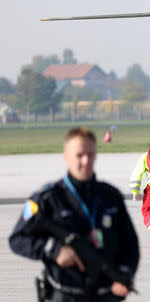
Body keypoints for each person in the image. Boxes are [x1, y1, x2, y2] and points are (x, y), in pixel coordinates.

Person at [9, 127, 140, 301]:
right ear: (66, 156)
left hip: (106, 295)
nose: (86, 161)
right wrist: (53, 250)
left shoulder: (111, 197)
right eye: (79, 155)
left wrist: (125, 272)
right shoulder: (49, 198)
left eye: (91, 155)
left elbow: (130, 244)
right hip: (65, 295)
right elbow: (18, 239)